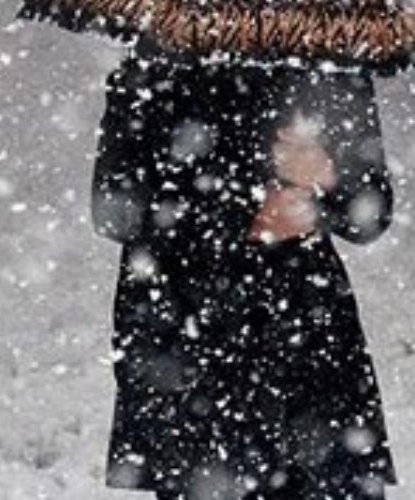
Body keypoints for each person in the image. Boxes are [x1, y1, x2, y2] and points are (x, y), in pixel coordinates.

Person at [92, 38, 399, 500]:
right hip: (191, 335)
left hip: (307, 335)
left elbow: (371, 212)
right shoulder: (162, 56)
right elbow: (116, 209)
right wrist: (245, 212)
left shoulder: (321, 52)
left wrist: (326, 179)